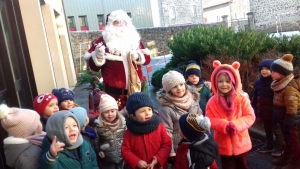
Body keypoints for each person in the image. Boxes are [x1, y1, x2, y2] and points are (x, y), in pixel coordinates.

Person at [84, 9, 151, 114]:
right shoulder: (102, 42)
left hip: (136, 91)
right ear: (110, 24)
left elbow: (147, 59)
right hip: (113, 96)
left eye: (124, 21)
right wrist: (98, 56)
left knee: (138, 123)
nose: (121, 25)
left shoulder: (134, 40)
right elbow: (93, 67)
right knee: (116, 125)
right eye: (117, 22)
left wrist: (138, 56)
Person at [206, 60, 255, 169]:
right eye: (220, 81)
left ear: (233, 82)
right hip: (224, 144)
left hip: (241, 142)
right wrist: (223, 125)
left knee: (242, 165)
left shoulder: (242, 99)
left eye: (228, 81)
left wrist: (236, 125)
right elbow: (209, 119)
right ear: (215, 83)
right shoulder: (212, 101)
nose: (224, 84)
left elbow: (250, 116)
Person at [156, 70, 202, 166]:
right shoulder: (166, 109)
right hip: (179, 146)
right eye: (174, 87)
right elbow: (166, 131)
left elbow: (201, 119)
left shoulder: (193, 99)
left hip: (196, 142)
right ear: (168, 89)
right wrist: (171, 152)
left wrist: (206, 137)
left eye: (181, 84)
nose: (179, 88)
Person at [121, 92, 172, 169]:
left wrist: (158, 158)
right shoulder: (129, 132)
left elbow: (167, 144)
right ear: (133, 116)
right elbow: (125, 150)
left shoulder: (159, 127)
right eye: (142, 111)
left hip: (158, 166)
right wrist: (136, 161)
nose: (147, 113)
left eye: (149, 109)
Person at [270, 54, 300, 169]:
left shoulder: (288, 88)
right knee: (287, 141)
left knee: (293, 142)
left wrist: (288, 123)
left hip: (290, 121)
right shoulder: (280, 85)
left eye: (273, 71)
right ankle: (286, 158)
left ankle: (295, 163)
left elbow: (291, 108)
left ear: (282, 74)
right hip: (283, 119)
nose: (271, 73)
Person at [251, 59, 284, 156]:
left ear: (272, 70)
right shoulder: (258, 82)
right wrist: (254, 109)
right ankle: (269, 145)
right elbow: (255, 96)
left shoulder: (276, 83)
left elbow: (279, 99)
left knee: (277, 130)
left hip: (274, 112)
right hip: (263, 111)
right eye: (262, 69)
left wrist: (278, 112)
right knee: (267, 129)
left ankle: (279, 148)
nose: (264, 71)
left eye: (267, 69)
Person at [0, 104, 46, 169]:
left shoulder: (36, 140)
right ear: (33, 130)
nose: (40, 123)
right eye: (38, 121)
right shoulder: (28, 158)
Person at [93, 94, 126, 169]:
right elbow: (95, 141)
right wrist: (99, 150)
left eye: (112, 111)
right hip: (107, 160)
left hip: (122, 157)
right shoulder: (98, 126)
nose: (110, 114)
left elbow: (127, 138)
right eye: (106, 112)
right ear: (102, 113)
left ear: (116, 111)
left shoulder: (123, 123)